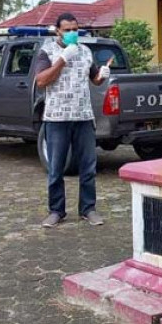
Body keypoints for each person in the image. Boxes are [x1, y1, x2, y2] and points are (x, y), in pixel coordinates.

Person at [35, 13, 110, 228]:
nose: (71, 33)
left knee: (88, 166)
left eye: (75, 29)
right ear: (57, 31)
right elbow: (41, 81)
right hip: (57, 118)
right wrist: (62, 59)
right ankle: (56, 211)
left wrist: (102, 74)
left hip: (83, 116)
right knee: (56, 168)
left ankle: (88, 208)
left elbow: (94, 80)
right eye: (67, 30)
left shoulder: (85, 51)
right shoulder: (46, 51)